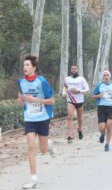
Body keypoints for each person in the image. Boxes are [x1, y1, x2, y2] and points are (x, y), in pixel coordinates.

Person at [17, 55, 55, 189]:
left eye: (27, 65)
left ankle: (48, 145)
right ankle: (34, 179)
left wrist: (35, 100)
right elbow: (21, 94)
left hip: (43, 117)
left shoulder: (42, 81)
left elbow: (52, 101)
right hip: (29, 118)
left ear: (34, 67)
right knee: (30, 145)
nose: (24, 67)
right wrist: (21, 99)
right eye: (24, 65)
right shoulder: (21, 81)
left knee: (43, 150)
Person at [63, 65, 90, 143]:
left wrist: (78, 91)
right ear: (70, 70)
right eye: (72, 68)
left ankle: (80, 129)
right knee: (69, 117)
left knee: (79, 118)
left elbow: (87, 89)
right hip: (70, 100)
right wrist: (64, 93)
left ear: (77, 70)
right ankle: (69, 135)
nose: (73, 70)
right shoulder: (67, 79)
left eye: (75, 69)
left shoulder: (81, 79)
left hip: (79, 101)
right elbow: (65, 87)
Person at [92, 70, 112, 151]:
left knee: (109, 125)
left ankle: (107, 144)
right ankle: (102, 133)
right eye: (104, 75)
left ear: (110, 77)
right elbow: (93, 96)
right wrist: (99, 95)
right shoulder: (99, 85)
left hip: (111, 107)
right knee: (102, 127)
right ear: (103, 77)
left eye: (107, 75)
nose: (106, 76)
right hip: (102, 107)